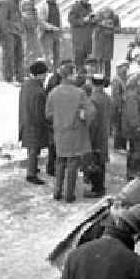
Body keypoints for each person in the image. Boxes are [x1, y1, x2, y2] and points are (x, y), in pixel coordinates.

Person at [46, 63, 91, 202]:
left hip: (59, 132)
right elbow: (89, 111)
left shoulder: (53, 93)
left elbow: (48, 114)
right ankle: (69, 194)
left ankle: (57, 191)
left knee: (59, 162)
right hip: (75, 133)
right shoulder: (79, 93)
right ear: (71, 74)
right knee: (72, 164)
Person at [19, 59, 50, 186]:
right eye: (44, 74)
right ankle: (31, 173)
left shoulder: (26, 85)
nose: (46, 76)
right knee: (34, 148)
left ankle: (33, 167)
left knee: (31, 148)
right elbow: (40, 110)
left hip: (25, 120)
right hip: (35, 123)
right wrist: (45, 123)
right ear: (39, 74)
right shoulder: (39, 91)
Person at [86, 73, 112, 198]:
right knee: (101, 160)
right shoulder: (107, 97)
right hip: (104, 132)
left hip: (95, 134)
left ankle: (97, 188)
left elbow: (92, 121)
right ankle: (100, 185)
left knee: (95, 160)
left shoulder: (93, 99)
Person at [0, 0, 25, 83]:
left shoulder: (15, 2)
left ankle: (18, 76)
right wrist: (7, 31)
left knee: (19, 55)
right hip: (9, 33)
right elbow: (2, 19)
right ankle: (7, 77)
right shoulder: (5, 2)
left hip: (17, 33)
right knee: (8, 55)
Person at [68, 0, 94, 71]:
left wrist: (93, 20)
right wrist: (84, 20)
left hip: (87, 39)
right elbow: (71, 20)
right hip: (78, 39)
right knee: (79, 61)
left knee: (87, 62)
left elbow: (91, 22)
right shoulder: (75, 7)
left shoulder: (89, 8)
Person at [37, 0, 63, 69]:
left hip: (56, 34)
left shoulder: (57, 5)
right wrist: (52, 27)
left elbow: (59, 18)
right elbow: (41, 21)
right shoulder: (43, 5)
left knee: (57, 54)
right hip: (47, 34)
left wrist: (60, 29)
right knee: (47, 54)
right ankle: (47, 71)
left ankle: (55, 71)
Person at [91, 7, 119, 81]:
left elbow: (117, 29)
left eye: (108, 14)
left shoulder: (114, 19)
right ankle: (97, 80)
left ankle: (106, 80)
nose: (106, 16)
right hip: (99, 45)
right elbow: (91, 23)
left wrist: (109, 26)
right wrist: (100, 24)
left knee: (107, 64)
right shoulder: (97, 19)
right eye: (104, 14)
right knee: (97, 64)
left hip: (107, 46)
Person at [20, 0, 43, 67]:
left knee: (30, 49)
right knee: (28, 49)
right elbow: (28, 17)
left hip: (29, 29)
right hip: (29, 30)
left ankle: (28, 65)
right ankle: (26, 67)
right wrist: (34, 26)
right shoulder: (27, 2)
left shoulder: (28, 1)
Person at [110, 63, 128, 151]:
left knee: (122, 126)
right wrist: (119, 106)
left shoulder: (123, 79)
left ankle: (122, 145)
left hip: (123, 106)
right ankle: (118, 146)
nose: (125, 70)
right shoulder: (117, 80)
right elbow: (116, 95)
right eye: (123, 68)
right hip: (119, 107)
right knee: (119, 127)